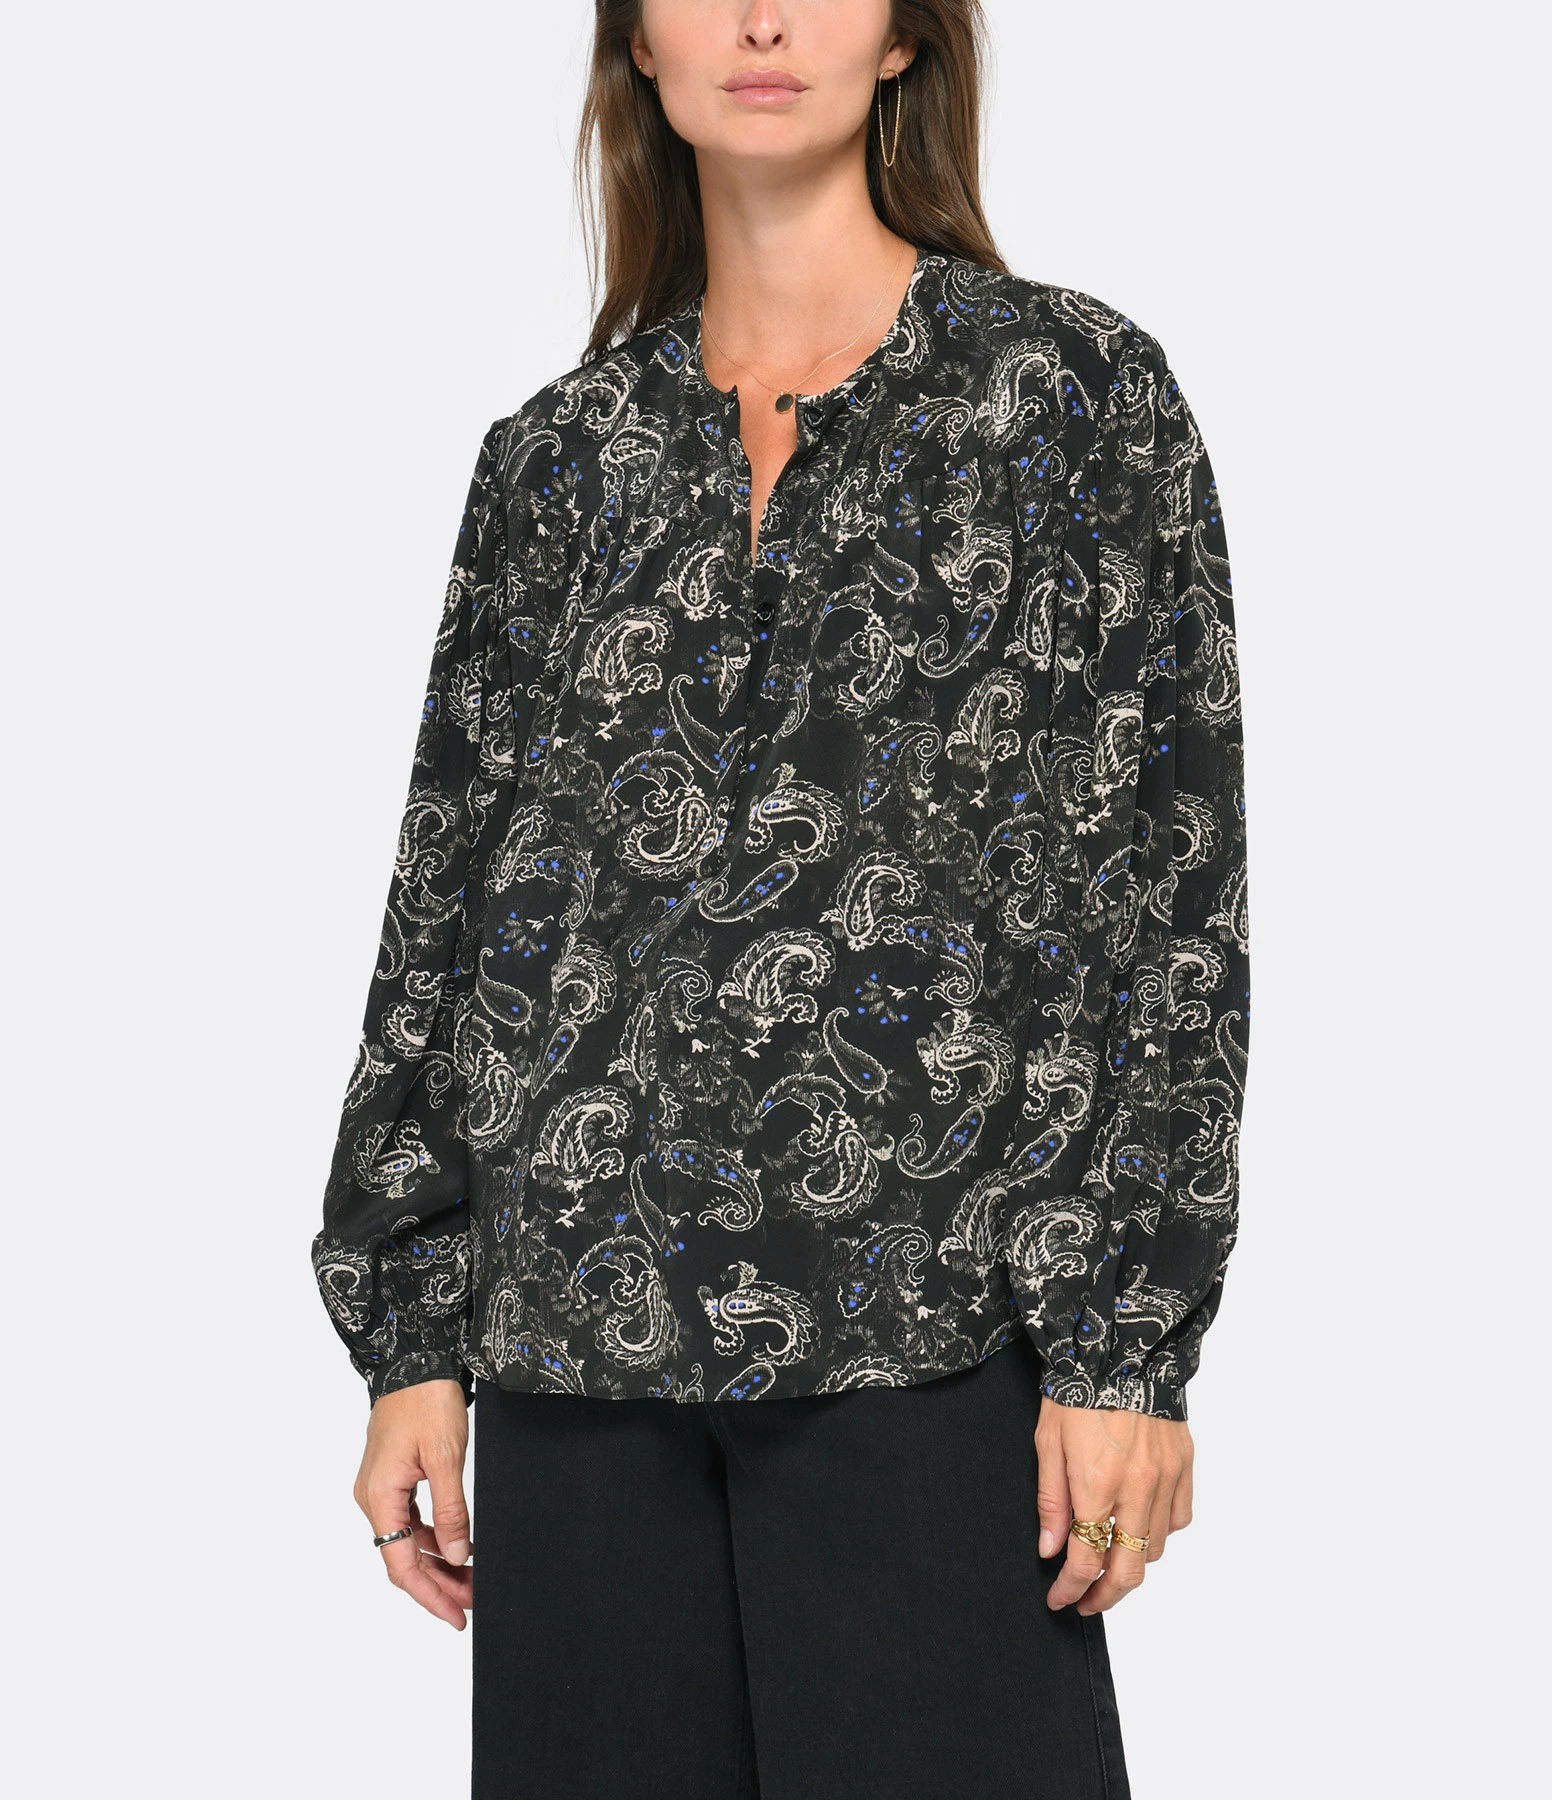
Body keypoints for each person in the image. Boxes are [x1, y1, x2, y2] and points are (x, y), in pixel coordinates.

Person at [310, 3, 1250, 1795]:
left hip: (938, 1347)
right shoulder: (557, 461)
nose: (761, 18)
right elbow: (452, 902)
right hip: (573, 1359)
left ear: (902, 37)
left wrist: (1128, 1349)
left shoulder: (1067, 401)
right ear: (634, 43)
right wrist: (409, 1334)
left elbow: (1173, 891)